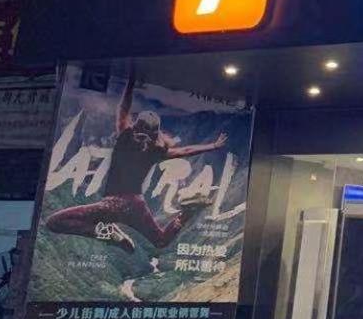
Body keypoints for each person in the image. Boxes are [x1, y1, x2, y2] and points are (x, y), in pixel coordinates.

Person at [44, 74, 226, 255]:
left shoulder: (125, 138)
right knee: (160, 240)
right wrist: (212, 146)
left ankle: (104, 232)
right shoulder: (157, 151)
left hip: (112, 205)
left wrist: (130, 83)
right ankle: (187, 212)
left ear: (136, 125)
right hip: (136, 205)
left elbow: (123, 108)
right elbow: (185, 151)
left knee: (54, 222)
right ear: (156, 134)